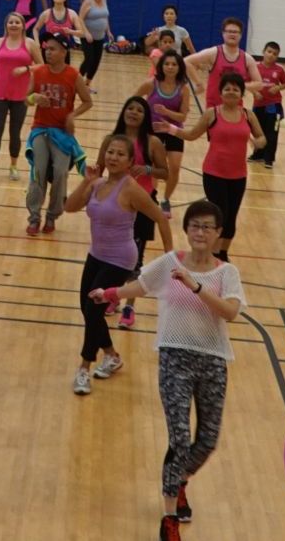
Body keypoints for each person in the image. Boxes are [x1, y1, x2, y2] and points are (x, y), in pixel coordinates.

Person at [89, 200, 243, 541]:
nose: (200, 232)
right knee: (179, 439)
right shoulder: (171, 262)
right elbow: (141, 286)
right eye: (195, 226)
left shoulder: (226, 273)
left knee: (207, 441)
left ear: (219, 233)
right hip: (174, 358)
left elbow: (230, 312)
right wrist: (109, 293)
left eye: (207, 227)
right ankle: (169, 516)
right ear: (186, 229)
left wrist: (195, 286)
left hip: (212, 361)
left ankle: (180, 479)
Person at [65, 134, 174, 395]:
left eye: (120, 154)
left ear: (130, 161)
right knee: (87, 310)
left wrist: (170, 257)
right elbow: (69, 207)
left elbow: (160, 218)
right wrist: (86, 181)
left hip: (121, 259)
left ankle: (84, 368)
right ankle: (112, 355)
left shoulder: (131, 189)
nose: (113, 157)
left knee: (93, 311)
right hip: (96, 255)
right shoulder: (96, 183)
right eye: (110, 152)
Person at [173, 72, 264, 259]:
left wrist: (258, 142)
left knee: (231, 217)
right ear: (220, 92)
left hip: (238, 175)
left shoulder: (248, 115)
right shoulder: (211, 114)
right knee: (219, 214)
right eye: (227, 88)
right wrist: (172, 129)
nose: (231, 92)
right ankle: (213, 255)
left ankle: (223, 253)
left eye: (235, 89)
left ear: (242, 93)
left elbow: (262, 137)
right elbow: (191, 135)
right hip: (214, 173)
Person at [111, 96, 173, 328]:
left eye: (139, 110)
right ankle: (113, 296)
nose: (134, 113)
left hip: (143, 204)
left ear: (145, 116)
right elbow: (101, 168)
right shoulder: (114, 139)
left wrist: (147, 169)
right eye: (130, 108)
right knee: (114, 256)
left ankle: (129, 306)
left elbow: (165, 172)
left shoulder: (152, 142)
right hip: (116, 204)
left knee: (135, 260)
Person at [25, 34, 91, 236]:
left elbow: (88, 101)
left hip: (62, 133)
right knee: (38, 172)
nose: (48, 52)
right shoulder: (38, 72)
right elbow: (26, 99)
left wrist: (72, 115)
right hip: (40, 129)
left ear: (64, 52)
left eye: (52, 49)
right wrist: (34, 98)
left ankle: (52, 216)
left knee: (60, 173)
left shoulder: (73, 75)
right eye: (46, 48)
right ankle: (34, 217)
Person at [138, 49, 195, 216]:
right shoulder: (151, 83)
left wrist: (166, 112)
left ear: (179, 67)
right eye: (167, 64)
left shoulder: (183, 89)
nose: (170, 67)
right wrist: (141, 117)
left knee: (174, 168)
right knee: (154, 167)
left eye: (174, 64)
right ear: (161, 66)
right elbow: (134, 100)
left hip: (173, 130)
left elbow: (183, 116)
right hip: (153, 130)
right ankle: (151, 197)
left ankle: (166, 199)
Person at [0, 12, 35, 184]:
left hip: (20, 95)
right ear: (6, 25)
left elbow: (41, 65)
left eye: (17, 22)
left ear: (23, 25)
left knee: (15, 132)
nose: (13, 25)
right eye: (10, 22)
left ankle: (13, 166)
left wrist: (26, 69)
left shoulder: (30, 43)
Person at [186, 18, 264, 110]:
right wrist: (199, 83)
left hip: (236, 108)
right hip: (214, 107)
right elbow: (186, 61)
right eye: (229, 31)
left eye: (235, 32)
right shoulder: (213, 53)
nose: (232, 34)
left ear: (241, 35)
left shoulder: (247, 58)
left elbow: (259, 84)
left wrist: (240, 85)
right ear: (223, 33)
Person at [251, 41, 285, 168]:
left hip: (274, 105)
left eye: (275, 54)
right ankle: (257, 155)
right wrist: (255, 92)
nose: (271, 55)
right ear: (263, 52)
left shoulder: (279, 69)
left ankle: (269, 159)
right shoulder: (255, 67)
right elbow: (249, 83)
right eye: (269, 52)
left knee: (272, 132)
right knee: (258, 131)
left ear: (277, 56)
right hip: (258, 104)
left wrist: (278, 87)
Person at [78, 0, 112, 81]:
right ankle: (77, 81)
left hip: (100, 37)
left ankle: (87, 84)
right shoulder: (88, 1)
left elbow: (105, 17)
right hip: (87, 37)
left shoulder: (104, 0)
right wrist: (86, 33)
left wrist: (108, 31)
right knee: (89, 59)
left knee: (96, 62)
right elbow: (80, 18)